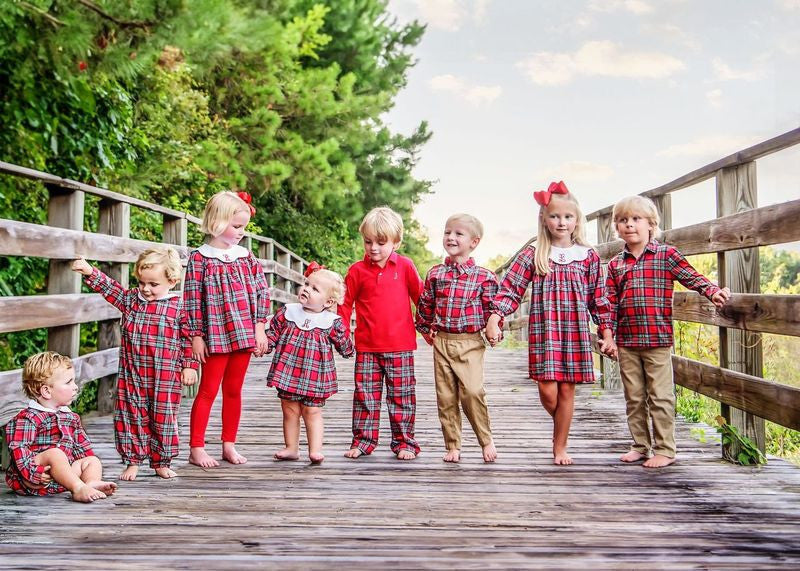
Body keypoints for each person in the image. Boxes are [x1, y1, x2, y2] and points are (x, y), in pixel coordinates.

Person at [486, 181, 612, 465]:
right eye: (555, 216)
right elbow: (511, 288)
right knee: (547, 389)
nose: (561, 222)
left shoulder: (588, 256)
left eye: (568, 216)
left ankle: (560, 446)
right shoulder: (535, 253)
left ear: (577, 219)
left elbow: (598, 298)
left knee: (567, 389)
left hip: (575, 330)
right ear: (544, 218)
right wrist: (496, 317)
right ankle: (561, 426)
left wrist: (606, 333)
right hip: (545, 331)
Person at [601, 195, 730, 468]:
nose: (629, 225)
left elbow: (691, 276)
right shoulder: (615, 265)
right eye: (623, 221)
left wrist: (712, 291)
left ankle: (665, 449)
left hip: (657, 339)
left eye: (636, 219)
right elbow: (609, 304)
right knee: (634, 397)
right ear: (617, 227)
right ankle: (640, 445)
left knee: (660, 396)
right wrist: (608, 337)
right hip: (627, 341)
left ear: (651, 225)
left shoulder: (666, 256)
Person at [72, 248, 199, 480]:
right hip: (133, 374)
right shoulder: (132, 300)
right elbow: (110, 289)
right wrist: (89, 271)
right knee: (131, 416)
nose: (146, 289)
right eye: (141, 283)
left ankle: (161, 461)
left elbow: (188, 339)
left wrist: (189, 365)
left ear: (171, 281)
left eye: (153, 284)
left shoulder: (179, 308)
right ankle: (132, 460)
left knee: (163, 417)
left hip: (165, 376)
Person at [184, 190, 270, 468]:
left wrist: (260, 328)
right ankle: (196, 447)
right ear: (216, 222)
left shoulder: (246, 258)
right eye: (236, 226)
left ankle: (228, 444)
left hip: (244, 332)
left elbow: (261, 293)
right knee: (208, 390)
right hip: (214, 335)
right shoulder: (200, 259)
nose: (241, 232)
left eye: (243, 227)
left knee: (234, 389)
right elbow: (192, 299)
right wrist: (196, 336)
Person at [338, 206, 424, 460]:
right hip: (366, 347)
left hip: (400, 346)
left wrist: (428, 327)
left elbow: (421, 298)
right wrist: (343, 333)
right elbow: (344, 303)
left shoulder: (406, 267)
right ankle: (363, 441)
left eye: (381, 242)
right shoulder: (356, 271)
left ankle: (404, 442)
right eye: (368, 241)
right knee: (366, 397)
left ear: (396, 243)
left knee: (402, 396)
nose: (373, 247)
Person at [416, 213, 500, 463]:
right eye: (447, 232)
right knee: (446, 396)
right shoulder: (435, 274)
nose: (451, 237)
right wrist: (424, 327)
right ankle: (453, 444)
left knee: (472, 392)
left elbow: (492, 308)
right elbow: (426, 305)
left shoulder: (484, 277)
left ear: (474, 242)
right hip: (442, 340)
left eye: (458, 233)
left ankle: (486, 439)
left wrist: (494, 329)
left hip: (470, 342)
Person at [265, 263, 354, 464]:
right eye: (306, 284)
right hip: (288, 370)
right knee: (289, 409)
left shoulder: (330, 321)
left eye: (315, 289)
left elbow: (344, 344)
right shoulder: (288, 312)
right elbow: (273, 333)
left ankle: (315, 450)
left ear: (329, 301)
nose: (306, 289)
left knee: (312, 411)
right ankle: (291, 448)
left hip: (315, 375)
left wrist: (348, 348)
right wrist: (265, 345)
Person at [4, 352, 117, 502]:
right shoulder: (28, 418)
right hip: (34, 480)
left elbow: (81, 448)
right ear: (46, 391)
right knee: (55, 454)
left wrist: (85, 465)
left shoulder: (70, 417)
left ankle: (90, 483)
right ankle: (78, 489)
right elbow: (19, 450)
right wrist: (34, 473)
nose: (75, 387)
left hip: (61, 479)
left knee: (92, 460)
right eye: (68, 382)